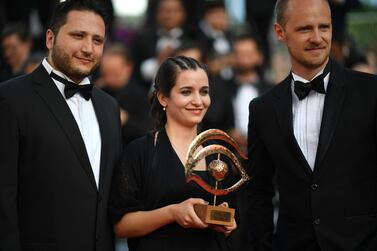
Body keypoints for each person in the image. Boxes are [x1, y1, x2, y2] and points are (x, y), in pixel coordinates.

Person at [246, 0, 377, 250]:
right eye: (305, 29)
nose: (318, 38)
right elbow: (258, 191)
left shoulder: (370, 92)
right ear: (280, 32)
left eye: (324, 27)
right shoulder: (262, 109)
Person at [0, 1, 121, 250]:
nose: (88, 48)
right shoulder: (10, 98)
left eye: (97, 40)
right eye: (78, 35)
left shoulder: (110, 107)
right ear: (50, 38)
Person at [110, 56, 237, 251]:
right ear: (163, 98)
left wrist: (227, 223)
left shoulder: (220, 154)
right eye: (186, 92)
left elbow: (238, 222)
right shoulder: (140, 151)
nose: (198, 101)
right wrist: (172, 213)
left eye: (204, 92)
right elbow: (121, 226)